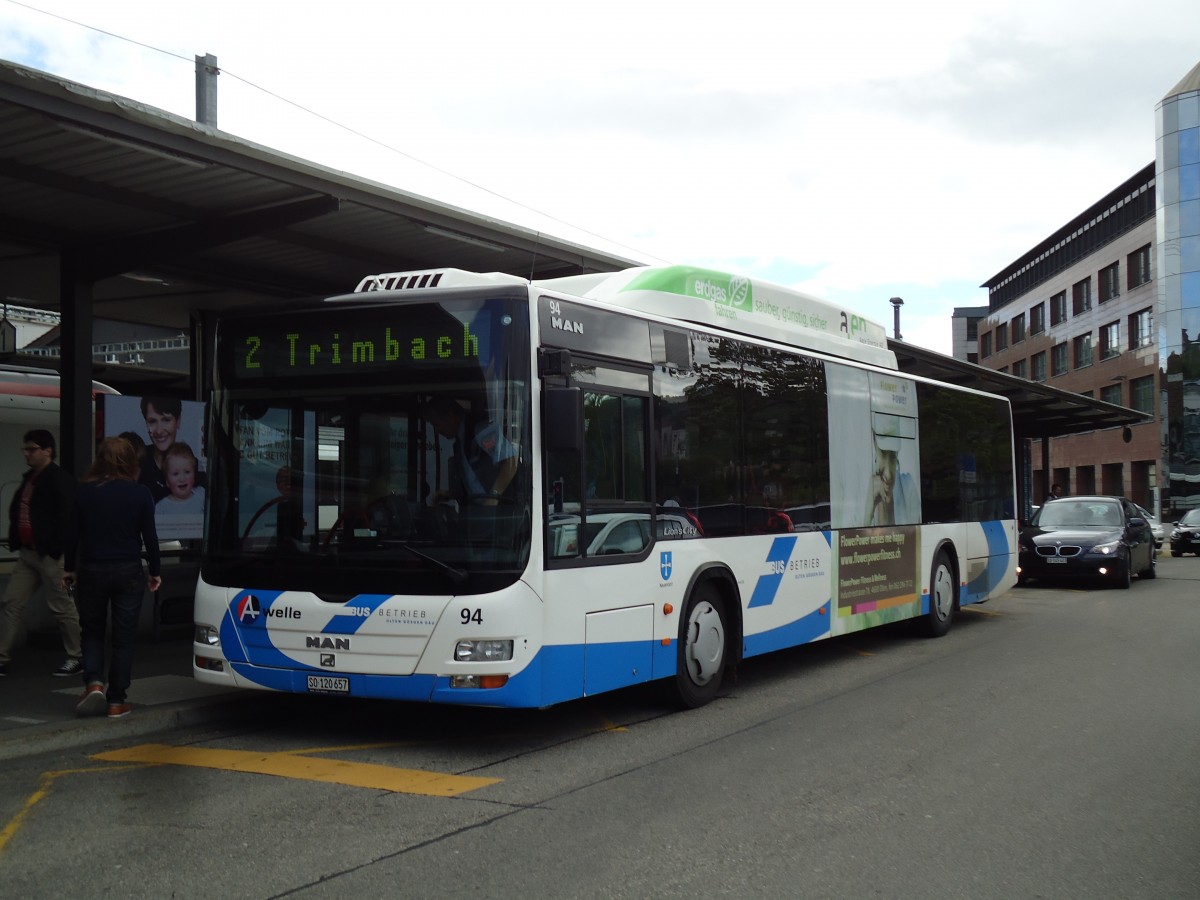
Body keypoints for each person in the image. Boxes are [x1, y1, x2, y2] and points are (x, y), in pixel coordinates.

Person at [63, 436, 161, 719]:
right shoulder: (140, 493)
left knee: (92, 630)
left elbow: (72, 535)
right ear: (131, 462)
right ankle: (117, 701)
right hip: (128, 570)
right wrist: (155, 571)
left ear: (100, 459)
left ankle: (94, 683)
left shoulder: (84, 491)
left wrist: (69, 569)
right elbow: (150, 537)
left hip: (92, 569)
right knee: (124, 637)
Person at [0, 430, 82, 677]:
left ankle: (77, 656)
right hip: (29, 553)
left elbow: (68, 518)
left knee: (62, 605)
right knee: (12, 602)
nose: (27, 453)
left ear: (48, 451)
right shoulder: (31, 478)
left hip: (50, 555)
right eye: (25, 449)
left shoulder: (58, 479)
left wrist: (57, 550)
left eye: (32, 449)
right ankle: (1, 656)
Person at [424, 396, 517, 507]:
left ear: (450, 416)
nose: (437, 431)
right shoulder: (459, 443)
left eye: (437, 425)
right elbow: (473, 483)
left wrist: (494, 495)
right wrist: (450, 494)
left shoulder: (480, 430)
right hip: (476, 508)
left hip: (500, 508)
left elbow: (511, 461)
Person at [138, 396, 186, 503]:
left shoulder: (192, 466)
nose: (159, 431)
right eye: (152, 421)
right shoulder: (137, 463)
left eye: (166, 420)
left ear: (178, 421)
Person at [154, 442, 205, 516]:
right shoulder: (161, 508)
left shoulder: (202, 496)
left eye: (187, 472)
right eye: (175, 474)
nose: (182, 479)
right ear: (167, 482)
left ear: (194, 475)